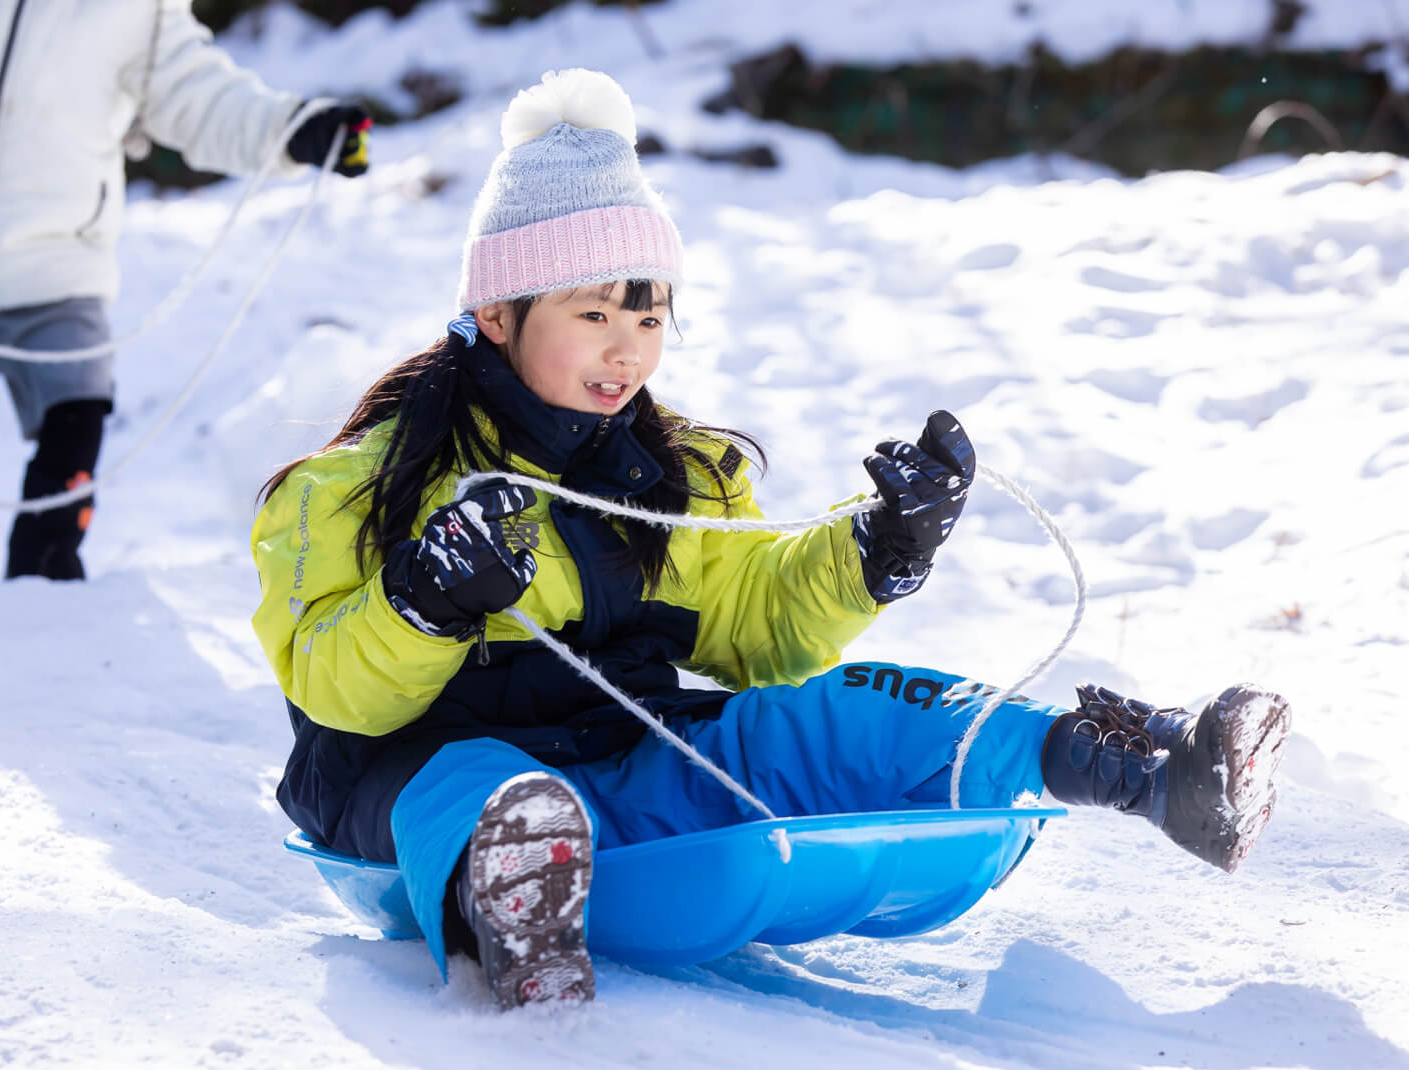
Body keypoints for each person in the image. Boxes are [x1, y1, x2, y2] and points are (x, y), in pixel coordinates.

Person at [248, 69, 1292, 1011]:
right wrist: (426, 598)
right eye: (593, 315)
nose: (628, 352)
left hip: (624, 759)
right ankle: (519, 907)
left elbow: (755, 624)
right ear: (498, 308)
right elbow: (332, 685)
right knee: (474, 776)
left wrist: (876, 547)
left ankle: (1143, 772)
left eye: (649, 318)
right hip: (412, 785)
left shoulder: (667, 475)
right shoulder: (358, 487)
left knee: (839, 711)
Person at [0, 0, 371, 578]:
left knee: (74, 427)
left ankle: (49, 597)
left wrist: (293, 130)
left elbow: (198, 95)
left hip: (57, 266)